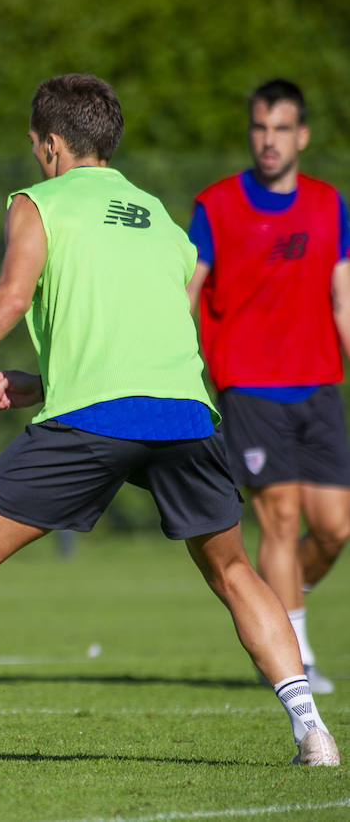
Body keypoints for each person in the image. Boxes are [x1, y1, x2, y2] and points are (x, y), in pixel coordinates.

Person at [0, 73, 339, 773]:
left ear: (52, 144)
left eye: (37, 145)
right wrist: (40, 382)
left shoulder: (38, 201)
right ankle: (314, 732)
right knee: (235, 569)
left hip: (94, 419)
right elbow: (153, 324)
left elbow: (8, 297)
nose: (35, 157)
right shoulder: (156, 213)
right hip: (184, 411)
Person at [186, 79, 349, 695]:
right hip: (249, 385)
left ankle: (281, 601)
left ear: (302, 135)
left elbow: (343, 297)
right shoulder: (217, 205)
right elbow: (190, 290)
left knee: (335, 528)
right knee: (279, 519)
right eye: (260, 127)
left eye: (281, 128)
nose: (269, 140)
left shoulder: (329, 205)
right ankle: (296, 660)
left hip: (317, 384)